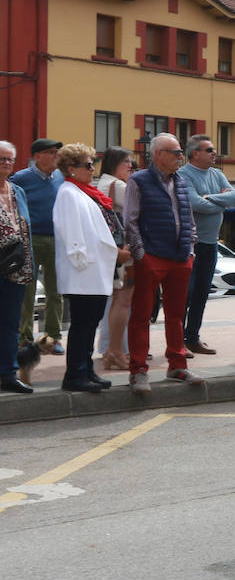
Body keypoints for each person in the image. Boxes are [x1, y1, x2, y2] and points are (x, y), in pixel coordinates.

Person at [125, 133, 202, 394]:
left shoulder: (181, 181)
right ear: (158, 154)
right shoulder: (138, 181)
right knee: (141, 315)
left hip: (180, 256)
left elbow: (188, 218)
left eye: (180, 152)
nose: (180, 156)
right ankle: (138, 371)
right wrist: (141, 255)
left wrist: (190, 248)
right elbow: (131, 221)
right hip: (152, 257)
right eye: (175, 152)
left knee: (177, 314)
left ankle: (177, 365)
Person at [52, 143, 127, 393]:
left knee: (91, 322)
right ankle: (75, 374)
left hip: (94, 269)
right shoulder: (68, 193)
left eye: (93, 163)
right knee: (82, 323)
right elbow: (72, 232)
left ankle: (86, 369)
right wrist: (81, 260)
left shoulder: (83, 192)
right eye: (87, 165)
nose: (92, 169)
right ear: (71, 169)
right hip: (83, 270)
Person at [178, 134, 235, 356]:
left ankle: (193, 338)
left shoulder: (217, 174)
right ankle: (178, 341)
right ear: (195, 153)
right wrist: (219, 203)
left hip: (211, 244)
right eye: (209, 149)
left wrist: (208, 198)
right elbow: (195, 203)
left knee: (202, 293)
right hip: (191, 244)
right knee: (187, 293)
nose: (215, 153)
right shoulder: (183, 174)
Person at [12, 138, 65, 352]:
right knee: (27, 289)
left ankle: (54, 337)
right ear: (38, 156)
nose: (56, 156)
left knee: (56, 290)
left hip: (56, 238)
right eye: (51, 152)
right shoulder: (21, 178)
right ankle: (24, 337)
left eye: (56, 152)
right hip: (31, 239)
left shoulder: (61, 177)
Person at [96, 147, 135, 371]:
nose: (130, 166)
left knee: (111, 301)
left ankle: (107, 348)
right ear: (114, 164)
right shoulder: (118, 186)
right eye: (126, 162)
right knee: (123, 301)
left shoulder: (99, 184)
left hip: (108, 250)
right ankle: (118, 349)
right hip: (123, 250)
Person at [0, 140, 34, 393]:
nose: (6, 163)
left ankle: (9, 374)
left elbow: (25, 227)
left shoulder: (17, 191)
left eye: (10, 159)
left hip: (15, 267)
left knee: (11, 323)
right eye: (1, 159)